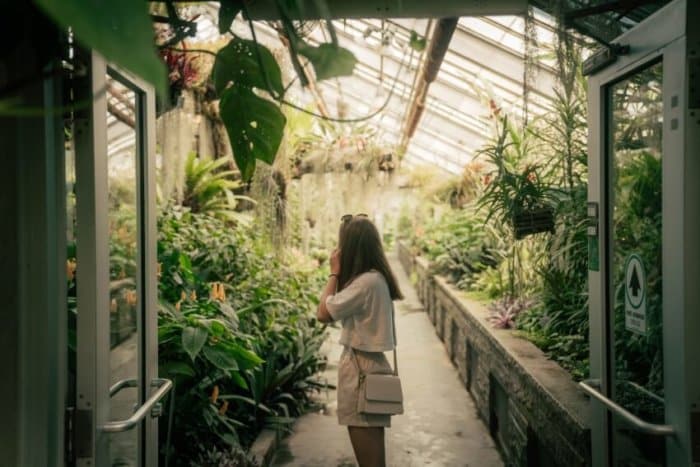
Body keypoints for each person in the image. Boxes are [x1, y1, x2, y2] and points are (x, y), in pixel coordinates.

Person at [316, 214, 404, 467]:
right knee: (374, 456)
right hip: (370, 365)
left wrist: (334, 273)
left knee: (369, 460)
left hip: (359, 369)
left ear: (351, 247)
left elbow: (323, 313)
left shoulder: (365, 283)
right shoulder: (376, 278)